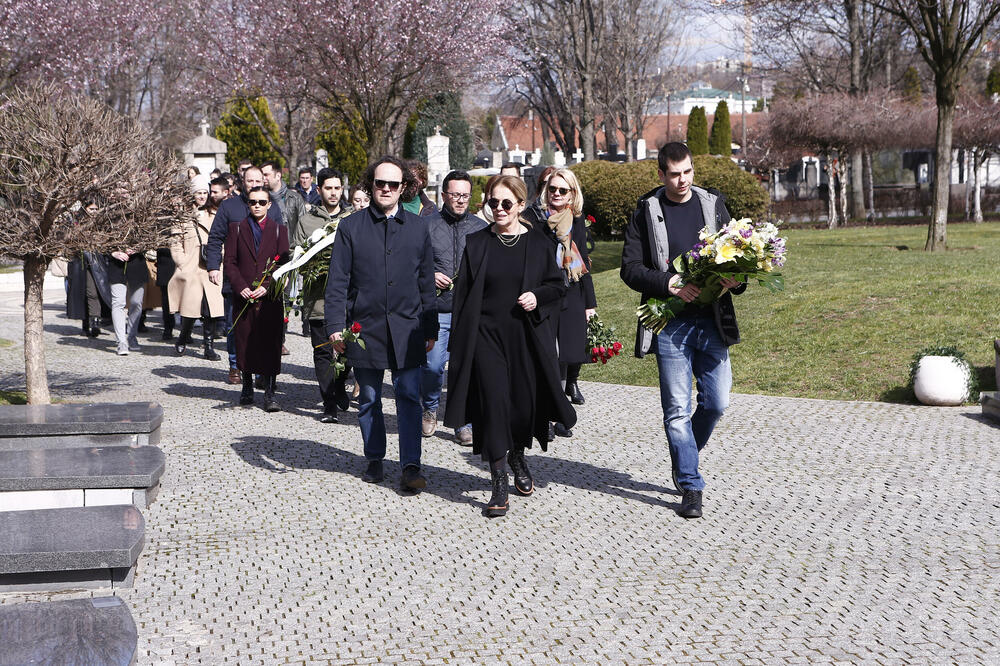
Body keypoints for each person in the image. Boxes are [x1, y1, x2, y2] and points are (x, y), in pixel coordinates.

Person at [620, 142, 745, 520]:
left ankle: (682, 455)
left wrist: (735, 280)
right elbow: (630, 268)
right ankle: (690, 484)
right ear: (660, 174)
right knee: (677, 411)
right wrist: (669, 282)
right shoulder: (647, 210)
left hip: (712, 320)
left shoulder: (712, 204)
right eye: (674, 174)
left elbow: (740, 258)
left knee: (717, 402)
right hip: (671, 323)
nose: (682, 180)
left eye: (687, 172)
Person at [443, 175, 575, 517]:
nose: (498, 209)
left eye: (505, 203)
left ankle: (518, 454)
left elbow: (557, 287)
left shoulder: (539, 244)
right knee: (493, 404)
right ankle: (498, 479)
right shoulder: (477, 243)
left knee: (520, 406)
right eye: (492, 203)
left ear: (520, 205)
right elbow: (463, 298)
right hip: (485, 338)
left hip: (524, 338)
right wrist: (458, 344)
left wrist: (537, 296)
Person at [324, 156, 438, 492]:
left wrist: (430, 327)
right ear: (370, 185)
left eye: (393, 184)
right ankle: (374, 457)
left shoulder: (419, 227)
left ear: (404, 188)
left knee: (407, 396)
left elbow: (426, 281)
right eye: (379, 183)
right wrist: (334, 326)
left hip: (408, 328)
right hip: (365, 328)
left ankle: (410, 464)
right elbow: (338, 281)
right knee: (370, 397)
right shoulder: (351, 227)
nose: (385, 189)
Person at [522, 167, 597, 424]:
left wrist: (590, 304)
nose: (556, 193)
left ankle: (557, 413)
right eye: (552, 188)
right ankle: (546, 414)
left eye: (562, 190)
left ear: (572, 194)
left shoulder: (575, 220)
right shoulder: (534, 218)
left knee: (565, 356)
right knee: (547, 355)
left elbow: (583, 262)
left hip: (571, 293)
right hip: (543, 294)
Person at [421, 170, 486, 443]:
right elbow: (411, 264)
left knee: (466, 368)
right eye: (455, 195)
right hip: (439, 309)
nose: (460, 200)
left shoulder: (480, 228)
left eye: (465, 195)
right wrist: (429, 275)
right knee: (434, 365)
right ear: (444, 195)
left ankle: (463, 421)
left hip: (469, 311)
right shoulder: (426, 225)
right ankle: (430, 408)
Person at [206, 166, 280, 384]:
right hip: (236, 278)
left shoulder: (272, 206)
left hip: (263, 278)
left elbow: (280, 242)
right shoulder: (229, 207)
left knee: (261, 325)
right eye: (250, 180)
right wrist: (212, 266)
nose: (254, 183)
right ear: (242, 181)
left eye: (258, 179)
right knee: (234, 324)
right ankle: (235, 364)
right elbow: (215, 238)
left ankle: (258, 369)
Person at [224, 186, 289, 411]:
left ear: (269, 205)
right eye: (253, 202)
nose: (257, 206)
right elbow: (230, 261)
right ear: (248, 205)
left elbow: (283, 262)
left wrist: (269, 286)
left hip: (269, 298)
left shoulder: (280, 230)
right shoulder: (237, 229)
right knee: (244, 341)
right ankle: (247, 386)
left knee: (270, 342)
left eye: (262, 202)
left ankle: (270, 392)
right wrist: (240, 286)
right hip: (244, 295)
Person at [297, 168, 353, 423]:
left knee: (346, 350)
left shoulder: (353, 219)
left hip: (348, 298)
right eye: (328, 188)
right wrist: (311, 265)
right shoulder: (307, 221)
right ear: (318, 190)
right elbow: (294, 253)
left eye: (337, 188)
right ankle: (329, 403)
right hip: (317, 298)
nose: (333, 192)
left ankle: (340, 384)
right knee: (322, 351)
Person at [169, 175, 225, 359]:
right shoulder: (183, 217)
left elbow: (224, 237)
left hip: (211, 266)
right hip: (191, 266)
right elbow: (175, 242)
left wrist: (220, 256)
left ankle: (208, 346)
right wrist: (182, 262)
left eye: (204, 192)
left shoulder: (216, 213)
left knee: (210, 310)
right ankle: (183, 338)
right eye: (198, 192)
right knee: (190, 308)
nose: (201, 196)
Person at [65, 198, 111, 337]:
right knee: (80, 293)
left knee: (93, 292)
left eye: (96, 209)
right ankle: (86, 324)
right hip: (79, 261)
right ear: (85, 209)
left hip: (95, 261)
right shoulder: (75, 222)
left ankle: (95, 321)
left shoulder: (101, 223)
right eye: (92, 209)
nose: (95, 212)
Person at [107, 244, 149, 356]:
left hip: (137, 265)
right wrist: (113, 253)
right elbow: (99, 241)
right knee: (118, 303)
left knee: (136, 302)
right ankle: (121, 342)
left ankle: (132, 336)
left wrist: (138, 248)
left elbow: (150, 240)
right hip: (116, 266)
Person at [261, 161, 305, 242]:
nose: (263, 178)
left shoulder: (295, 198)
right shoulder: (260, 200)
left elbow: (303, 227)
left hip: (290, 250)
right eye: (262, 175)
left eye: (266, 175)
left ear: (278, 176)